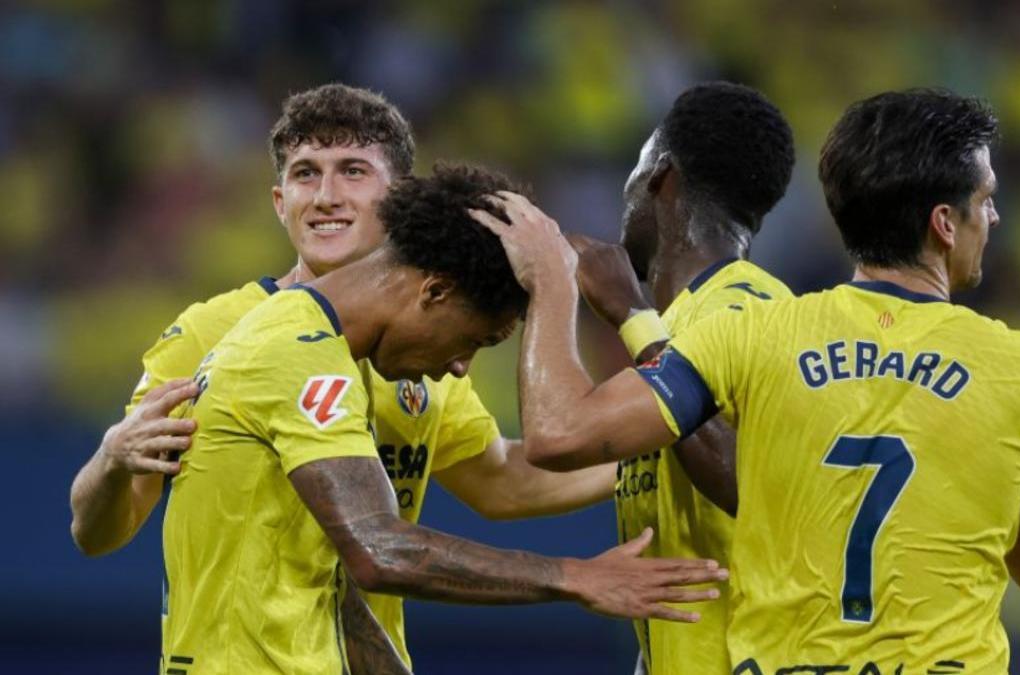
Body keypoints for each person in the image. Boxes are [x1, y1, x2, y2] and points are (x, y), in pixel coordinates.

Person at [471, 88, 1020, 674]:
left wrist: (562, 283)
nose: (993, 218)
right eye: (987, 199)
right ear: (944, 223)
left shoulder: (754, 328)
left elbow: (578, 438)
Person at [67, 83, 615, 671]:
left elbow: (504, 481)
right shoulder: (214, 332)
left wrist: (655, 441)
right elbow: (99, 532)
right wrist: (111, 458)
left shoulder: (426, 343)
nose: (326, 196)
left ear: (399, 196)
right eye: (306, 175)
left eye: (352, 171)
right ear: (280, 203)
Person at [159, 163, 726, 675]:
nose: (459, 368)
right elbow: (379, 551)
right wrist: (575, 576)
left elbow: (336, 588)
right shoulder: (294, 352)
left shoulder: (325, 353)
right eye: (475, 340)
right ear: (434, 290)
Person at [566, 81, 794, 675]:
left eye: (635, 168)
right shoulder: (686, 319)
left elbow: (757, 484)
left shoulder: (744, 309)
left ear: (660, 176)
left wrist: (631, 319)